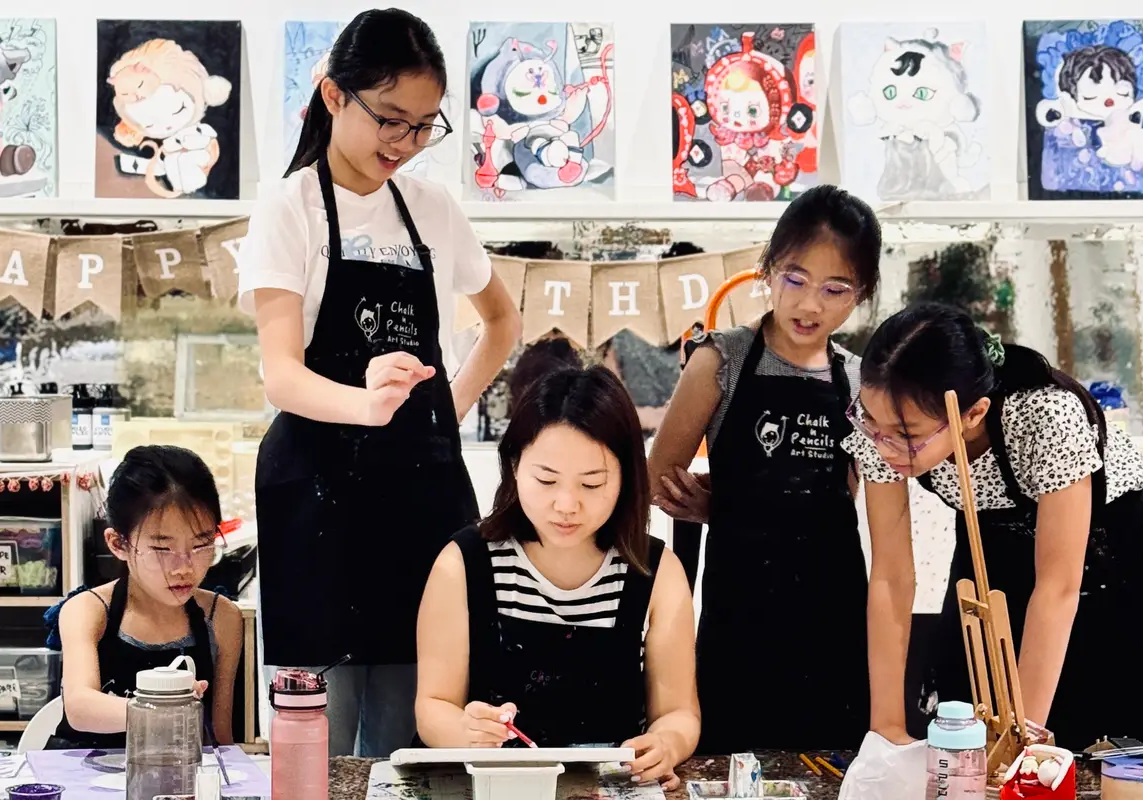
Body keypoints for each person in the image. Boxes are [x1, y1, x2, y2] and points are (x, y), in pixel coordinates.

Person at [238, 8, 522, 757]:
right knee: (317, 745)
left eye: (425, 126)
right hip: (317, 499)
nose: (405, 144)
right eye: (390, 120)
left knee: (413, 732)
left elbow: (503, 324)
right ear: (334, 96)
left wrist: (441, 411)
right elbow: (281, 377)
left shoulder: (433, 208)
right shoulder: (288, 206)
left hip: (420, 495)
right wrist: (366, 406)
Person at [846, 302, 1143, 752]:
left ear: (973, 414)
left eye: (906, 434)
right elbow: (891, 575)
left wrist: (1022, 741)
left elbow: (1058, 587)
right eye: (872, 424)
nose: (883, 445)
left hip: (1104, 535)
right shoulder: (882, 421)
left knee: (1082, 713)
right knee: (965, 694)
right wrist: (886, 728)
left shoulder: (1047, 416)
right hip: (988, 521)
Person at [647, 185, 882, 753]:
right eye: (795, 279)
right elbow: (660, 479)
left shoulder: (857, 378)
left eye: (835, 289)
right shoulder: (720, 359)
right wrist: (716, 505)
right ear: (768, 269)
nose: (810, 305)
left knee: (831, 764)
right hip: (740, 610)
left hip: (833, 613)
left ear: (861, 294)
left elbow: (844, 493)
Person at [416, 367, 699, 787]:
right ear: (514, 466)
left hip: (607, 787)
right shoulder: (463, 563)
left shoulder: (655, 572)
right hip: (491, 785)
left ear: (625, 478)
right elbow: (433, 705)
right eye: (546, 480)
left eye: (591, 484)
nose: (566, 505)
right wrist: (466, 732)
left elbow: (678, 712)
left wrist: (667, 743)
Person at [45, 445, 244, 749]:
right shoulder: (89, 610)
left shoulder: (221, 617)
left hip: (176, 782)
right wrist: (165, 710)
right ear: (119, 543)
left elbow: (219, 740)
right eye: (163, 549)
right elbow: (80, 707)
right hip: (86, 777)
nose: (184, 568)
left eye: (201, 545)